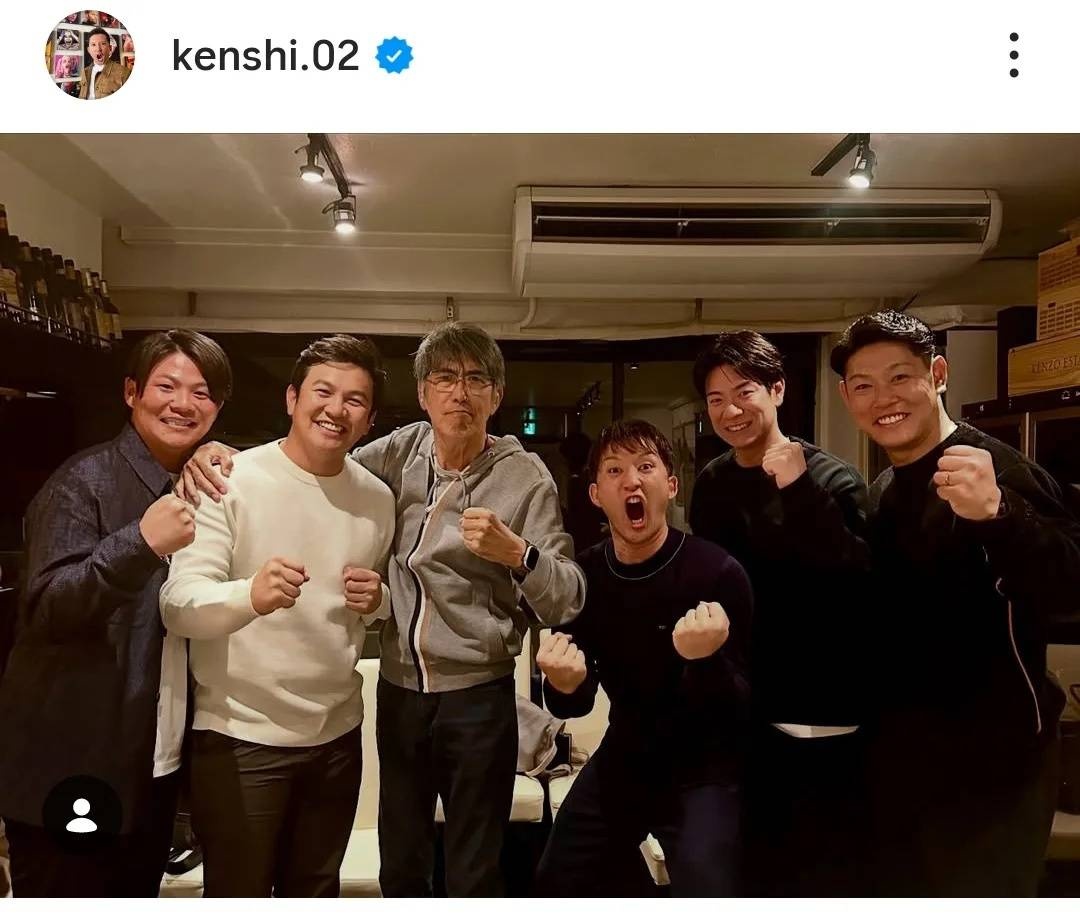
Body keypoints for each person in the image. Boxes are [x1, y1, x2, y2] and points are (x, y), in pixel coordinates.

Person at [176, 321, 586, 897]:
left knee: (475, 869)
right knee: (402, 861)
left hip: (478, 697)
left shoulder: (525, 478)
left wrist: (519, 554)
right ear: (423, 393)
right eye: (444, 379)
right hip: (399, 693)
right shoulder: (400, 452)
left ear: (496, 395)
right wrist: (218, 453)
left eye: (476, 380)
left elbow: (567, 595)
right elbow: (320, 461)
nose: (460, 394)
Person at [831, 309, 1080, 895]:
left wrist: (1001, 514)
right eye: (863, 385)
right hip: (906, 756)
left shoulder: (996, 469)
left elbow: (1071, 585)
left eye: (900, 377)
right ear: (847, 398)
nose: (882, 399)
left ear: (937, 374)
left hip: (995, 763)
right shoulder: (884, 489)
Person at [159, 335, 394, 897]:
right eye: (322, 392)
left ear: (369, 421)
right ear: (292, 399)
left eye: (355, 400)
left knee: (315, 893)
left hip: (337, 738)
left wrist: (380, 601)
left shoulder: (377, 499)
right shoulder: (229, 478)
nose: (336, 410)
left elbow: (363, 613)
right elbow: (178, 604)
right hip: (240, 738)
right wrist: (251, 596)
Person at [0, 330, 231, 896]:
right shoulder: (82, 483)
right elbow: (49, 608)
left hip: (153, 764)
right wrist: (141, 543)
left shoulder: (201, 487)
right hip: (73, 760)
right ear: (132, 392)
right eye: (167, 387)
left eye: (201, 393)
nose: (183, 403)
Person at [533, 419, 751, 896]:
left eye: (646, 467)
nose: (632, 481)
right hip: (626, 755)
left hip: (705, 768)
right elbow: (573, 703)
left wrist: (704, 659)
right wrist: (563, 683)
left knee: (711, 888)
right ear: (595, 494)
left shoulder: (716, 570)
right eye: (615, 470)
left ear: (670, 486)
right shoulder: (583, 577)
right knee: (558, 878)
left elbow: (741, 702)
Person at [688, 330, 872, 895]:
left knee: (821, 877)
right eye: (716, 399)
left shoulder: (832, 478)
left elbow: (856, 583)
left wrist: (796, 488)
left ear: (778, 390)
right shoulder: (713, 483)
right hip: (743, 712)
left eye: (744, 392)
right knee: (752, 872)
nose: (731, 411)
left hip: (819, 711)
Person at [79, 28, 129, 100]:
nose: (98, 49)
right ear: (89, 50)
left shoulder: (124, 73)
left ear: (110, 48)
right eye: (93, 44)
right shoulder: (85, 71)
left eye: (103, 44)